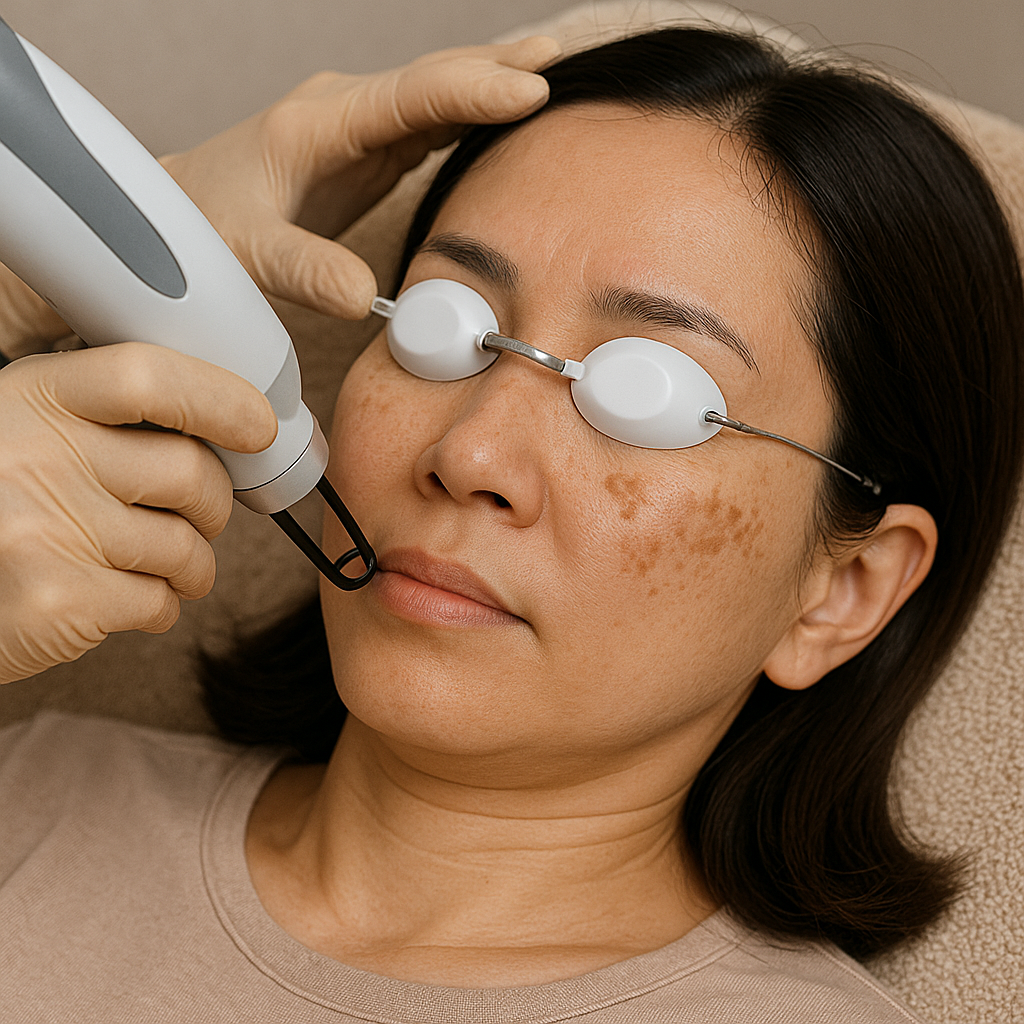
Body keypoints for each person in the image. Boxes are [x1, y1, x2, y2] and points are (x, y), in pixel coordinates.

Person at [1, 23, 1022, 1023]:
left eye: (643, 394)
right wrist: (32, 283)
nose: (470, 454)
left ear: (841, 591)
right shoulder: (35, 788)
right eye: (444, 327)